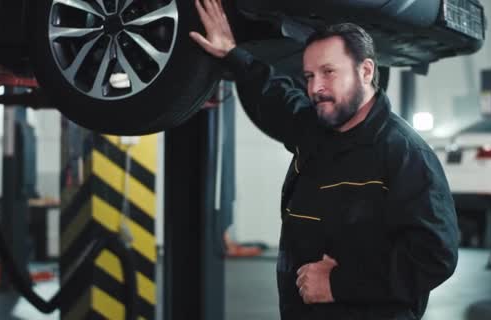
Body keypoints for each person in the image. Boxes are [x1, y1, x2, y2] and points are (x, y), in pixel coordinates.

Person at [190, 1, 459, 319]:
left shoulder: (405, 154)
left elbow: (433, 257)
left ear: (366, 71)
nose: (315, 88)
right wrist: (233, 55)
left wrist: (339, 284)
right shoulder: (317, 127)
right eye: (309, 75)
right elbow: (274, 96)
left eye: (329, 72)